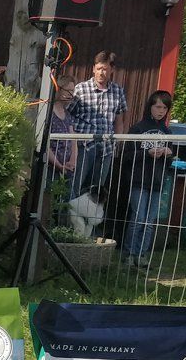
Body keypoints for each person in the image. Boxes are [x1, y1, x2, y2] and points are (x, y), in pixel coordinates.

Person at [119, 90, 176, 269]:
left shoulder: (168, 132)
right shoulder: (138, 129)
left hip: (158, 182)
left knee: (149, 221)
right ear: (150, 106)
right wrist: (147, 153)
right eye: (158, 107)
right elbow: (126, 155)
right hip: (139, 181)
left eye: (164, 108)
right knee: (138, 218)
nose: (161, 111)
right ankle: (128, 255)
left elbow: (170, 161)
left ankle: (141, 255)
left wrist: (168, 154)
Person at [71, 50, 129, 196]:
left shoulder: (118, 91)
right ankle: (67, 211)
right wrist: (72, 142)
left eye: (105, 69)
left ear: (112, 70)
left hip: (106, 148)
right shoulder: (80, 89)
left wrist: (116, 142)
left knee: (96, 191)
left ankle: (89, 212)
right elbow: (68, 115)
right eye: (98, 69)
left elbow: (119, 121)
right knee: (74, 186)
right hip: (83, 146)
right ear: (93, 69)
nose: (101, 73)